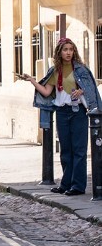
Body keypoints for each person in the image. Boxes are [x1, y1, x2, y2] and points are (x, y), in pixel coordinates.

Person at [22, 37, 102, 196]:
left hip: (78, 112)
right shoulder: (55, 71)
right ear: (59, 52)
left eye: (71, 49)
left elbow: (90, 89)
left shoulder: (81, 70)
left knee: (79, 150)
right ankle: (66, 184)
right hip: (62, 112)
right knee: (65, 150)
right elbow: (46, 92)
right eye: (65, 50)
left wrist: (81, 91)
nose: (68, 53)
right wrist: (32, 81)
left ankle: (77, 186)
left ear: (74, 52)